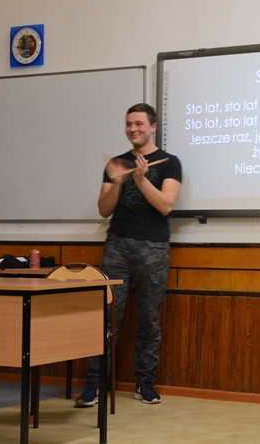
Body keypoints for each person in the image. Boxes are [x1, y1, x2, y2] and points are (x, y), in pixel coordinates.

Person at [76, 103, 182, 407]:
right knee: (106, 316)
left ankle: (145, 382)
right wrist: (118, 182)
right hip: (118, 245)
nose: (132, 129)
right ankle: (95, 382)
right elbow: (104, 209)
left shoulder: (170, 163)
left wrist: (140, 179)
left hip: (153, 247)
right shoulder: (117, 163)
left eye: (138, 123)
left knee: (149, 320)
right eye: (128, 124)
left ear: (152, 127)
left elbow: (166, 205)